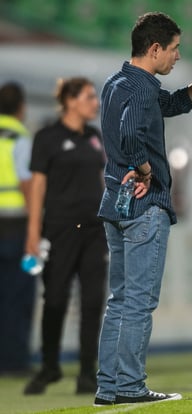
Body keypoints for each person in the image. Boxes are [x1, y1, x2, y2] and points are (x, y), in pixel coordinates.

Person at [94, 11, 192, 406]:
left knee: (120, 300)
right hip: (144, 206)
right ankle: (129, 386)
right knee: (140, 301)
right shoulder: (142, 89)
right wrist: (144, 171)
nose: (177, 57)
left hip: (115, 205)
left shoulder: (117, 83)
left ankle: (109, 387)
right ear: (154, 48)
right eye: (174, 49)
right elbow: (129, 134)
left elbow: (175, 104)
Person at [23, 77, 108, 394]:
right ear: (70, 100)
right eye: (88, 97)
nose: (95, 103)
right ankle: (49, 367)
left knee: (92, 302)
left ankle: (87, 372)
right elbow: (37, 186)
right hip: (59, 231)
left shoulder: (94, 138)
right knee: (55, 299)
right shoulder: (46, 137)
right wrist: (33, 232)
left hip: (93, 232)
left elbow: (101, 182)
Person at [0, 82, 36, 375]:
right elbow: (27, 184)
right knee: (18, 296)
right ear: (20, 107)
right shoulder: (19, 138)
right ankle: (14, 362)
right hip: (14, 227)